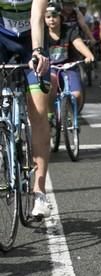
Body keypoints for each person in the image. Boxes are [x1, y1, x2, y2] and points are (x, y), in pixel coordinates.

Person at [0, 0, 52, 217]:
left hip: (32, 38)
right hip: (2, 38)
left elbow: (37, 15)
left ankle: (39, 192)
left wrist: (38, 52)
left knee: (38, 112)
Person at [45, 2, 95, 114]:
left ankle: (72, 117)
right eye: (48, 17)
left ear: (60, 17)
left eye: (54, 16)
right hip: (51, 68)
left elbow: (78, 43)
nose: (51, 19)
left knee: (76, 95)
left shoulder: (69, 30)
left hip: (69, 67)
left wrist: (88, 55)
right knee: (51, 85)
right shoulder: (42, 33)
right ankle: (51, 114)